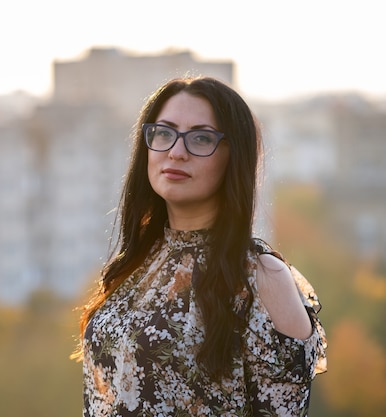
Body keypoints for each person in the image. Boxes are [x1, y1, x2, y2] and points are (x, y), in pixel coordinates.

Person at [73, 76, 327, 416]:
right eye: (163, 133)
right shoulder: (135, 266)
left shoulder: (261, 277)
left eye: (201, 138)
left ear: (232, 157)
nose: (176, 152)